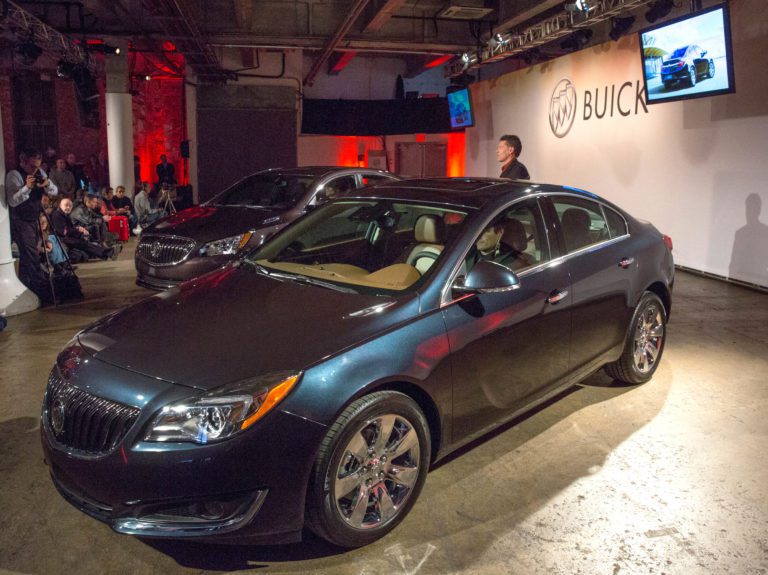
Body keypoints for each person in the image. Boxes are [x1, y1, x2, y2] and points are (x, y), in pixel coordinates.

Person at [5, 148, 58, 304]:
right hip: (20, 220)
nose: (35, 170)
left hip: (35, 218)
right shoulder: (14, 175)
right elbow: (12, 201)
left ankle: (26, 289)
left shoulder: (39, 171)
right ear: (23, 161)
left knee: (28, 259)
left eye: (38, 166)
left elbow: (54, 191)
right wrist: (27, 187)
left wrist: (47, 184)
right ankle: (42, 293)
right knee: (31, 256)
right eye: (32, 166)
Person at [50, 198, 115, 261]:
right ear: (60, 205)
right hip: (61, 239)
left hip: (69, 237)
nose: (68, 207)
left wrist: (78, 230)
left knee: (84, 242)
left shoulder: (65, 214)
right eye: (66, 205)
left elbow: (69, 229)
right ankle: (107, 252)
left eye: (70, 206)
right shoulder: (57, 215)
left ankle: (105, 252)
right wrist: (78, 231)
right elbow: (63, 232)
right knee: (83, 243)